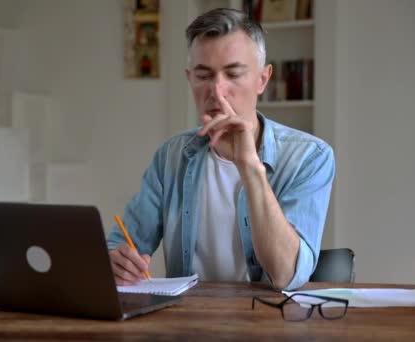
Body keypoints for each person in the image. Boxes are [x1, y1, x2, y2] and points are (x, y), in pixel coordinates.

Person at [107, 8, 335, 290]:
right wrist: (114, 259)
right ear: (189, 79)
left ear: (263, 79)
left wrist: (250, 166)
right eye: (203, 76)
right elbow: (121, 243)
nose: (217, 91)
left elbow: (286, 275)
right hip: (187, 324)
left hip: (271, 325)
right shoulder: (171, 156)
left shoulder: (311, 157)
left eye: (233, 74)